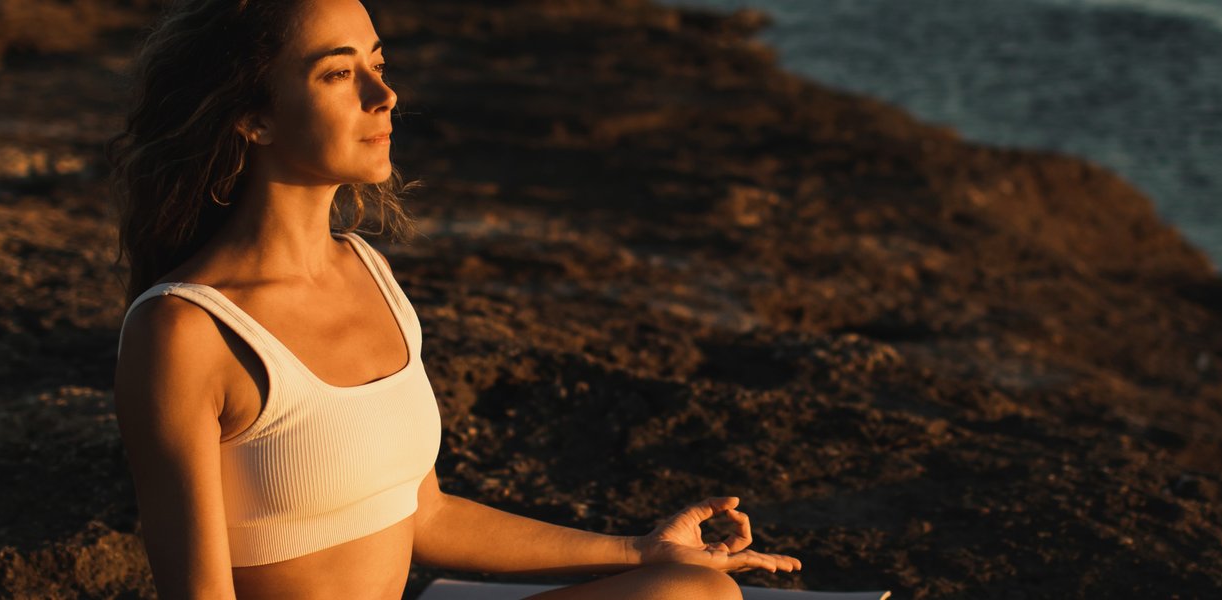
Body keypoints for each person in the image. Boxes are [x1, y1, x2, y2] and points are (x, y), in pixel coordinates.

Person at [105, 0, 802, 598]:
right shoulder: (185, 328)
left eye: (379, 64)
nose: (384, 96)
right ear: (252, 118)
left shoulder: (365, 267)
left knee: (692, 587)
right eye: (340, 73)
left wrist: (641, 550)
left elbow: (425, 514)